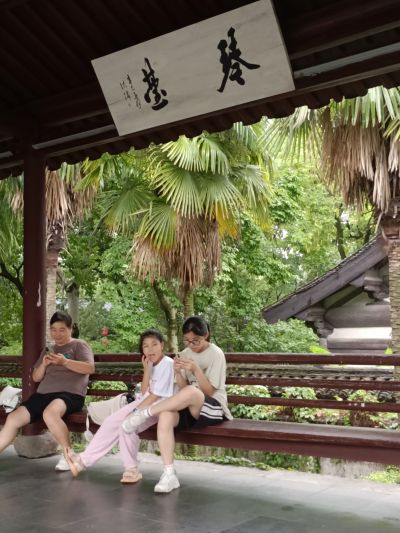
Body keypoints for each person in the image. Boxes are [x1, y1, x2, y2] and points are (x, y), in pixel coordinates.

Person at [123, 316, 232, 493]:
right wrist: (178, 373)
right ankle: (169, 474)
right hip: (189, 406)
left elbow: (210, 391)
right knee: (166, 415)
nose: (191, 345)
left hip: (213, 407)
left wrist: (196, 369)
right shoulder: (183, 354)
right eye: (187, 340)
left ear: (206, 335)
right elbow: (182, 388)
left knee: (192, 392)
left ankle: (145, 413)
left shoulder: (216, 354)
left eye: (195, 340)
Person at [63, 329, 175, 483]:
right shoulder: (151, 364)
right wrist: (147, 371)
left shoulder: (167, 363)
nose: (150, 349)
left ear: (162, 345)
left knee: (127, 425)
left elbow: (155, 396)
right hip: (144, 402)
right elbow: (145, 392)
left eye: (154, 344)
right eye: (146, 346)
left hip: (159, 408)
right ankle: (82, 462)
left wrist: (135, 412)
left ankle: (131, 469)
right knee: (111, 422)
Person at [0, 311, 94, 462]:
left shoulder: (79, 345)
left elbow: (90, 368)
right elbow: (36, 377)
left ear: (70, 329)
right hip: (43, 395)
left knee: (50, 414)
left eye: (62, 330)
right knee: (13, 418)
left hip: (69, 395)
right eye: (53, 330)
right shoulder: (48, 349)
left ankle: (69, 456)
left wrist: (65, 362)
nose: (57, 334)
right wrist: (44, 364)